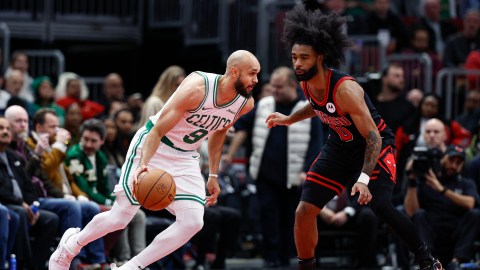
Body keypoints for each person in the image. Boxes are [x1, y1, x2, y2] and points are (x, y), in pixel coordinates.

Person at [49, 49, 260, 270]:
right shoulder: (198, 87)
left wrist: (213, 174)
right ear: (234, 72)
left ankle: (131, 267)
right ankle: (69, 247)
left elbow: (219, 132)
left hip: (186, 156)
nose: (256, 80)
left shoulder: (245, 103)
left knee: (193, 221)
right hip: (155, 145)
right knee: (121, 217)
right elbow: (157, 131)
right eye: (252, 74)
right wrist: (143, 165)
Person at [266, 4, 441, 270]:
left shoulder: (346, 89)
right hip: (339, 147)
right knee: (304, 211)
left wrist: (362, 179)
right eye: (294, 57)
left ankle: (427, 258)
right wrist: (290, 119)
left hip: (374, 145)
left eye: (304, 57)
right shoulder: (305, 81)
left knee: (381, 206)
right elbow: (317, 105)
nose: (297, 63)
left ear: (321, 57)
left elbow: (373, 137)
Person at [223, 66, 323, 267]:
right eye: (273, 87)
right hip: (265, 173)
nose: (275, 91)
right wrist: (228, 133)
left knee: (289, 218)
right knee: (268, 215)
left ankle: (286, 256)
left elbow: (316, 144)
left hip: (294, 175)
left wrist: (307, 170)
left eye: (279, 87)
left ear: (293, 85)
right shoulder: (264, 104)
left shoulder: (307, 108)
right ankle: (271, 257)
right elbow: (242, 126)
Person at [404, 144, 480, 269]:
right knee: (419, 215)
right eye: (451, 160)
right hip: (432, 233)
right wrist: (412, 181)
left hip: (456, 234)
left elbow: (470, 203)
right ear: (443, 159)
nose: (454, 166)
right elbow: (411, 212)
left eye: (458, 163)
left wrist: (442, 190)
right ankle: (428, 261)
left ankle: (457, 262)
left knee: (475, 214)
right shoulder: (425, 180)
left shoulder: (466, 183)